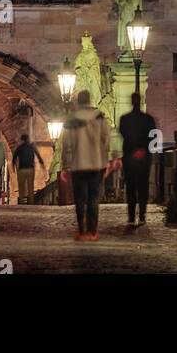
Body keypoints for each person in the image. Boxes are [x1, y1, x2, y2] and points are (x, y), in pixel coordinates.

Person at [61, 89, 111, 241]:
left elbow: (66, 144)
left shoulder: (71, 119)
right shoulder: (99, 117)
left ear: (78, 101)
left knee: (80, 199)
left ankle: (81, 231)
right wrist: (105, 160)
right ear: (89, 100)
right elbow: (106, 140)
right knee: (93, 199)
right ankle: (93, 231)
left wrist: (65, 165)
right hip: (96, 164)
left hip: (78, 165)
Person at [119, 92, 157, 228]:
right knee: (142, 186)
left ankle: (131, 215)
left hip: (129, 156)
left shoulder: (125, 119)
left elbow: (124, 134)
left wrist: (133, 149)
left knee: (130, 186)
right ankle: (141, 215)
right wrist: (142, 149)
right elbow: (153, 136)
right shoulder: (148, 119)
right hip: (143, 156)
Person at [12, 133, 44, 204]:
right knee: (30, 187)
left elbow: (14, 158)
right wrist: (42, 164)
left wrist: (13, 167)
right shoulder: (32, 146)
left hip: (21, 169)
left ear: (22, 140)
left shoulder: (19, 147)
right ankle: (31, 203)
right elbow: (38, 155)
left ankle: (21, 202)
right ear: (28, 139)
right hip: (30, 169)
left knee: (21, 187)